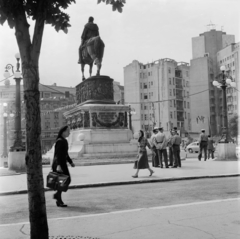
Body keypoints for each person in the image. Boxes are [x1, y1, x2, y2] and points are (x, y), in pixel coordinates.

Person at [52, 125, 75, 207]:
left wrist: (70, 162)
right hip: (59, 164)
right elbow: (57, 154)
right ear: (63, 131)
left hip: (62, 164)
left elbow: (65, 154)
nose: (69, 132)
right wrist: (58, 165)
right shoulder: (60, 141)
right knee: (64, 181)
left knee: (64, 181)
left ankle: (58, 197)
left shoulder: (64, 140)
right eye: (68, 131)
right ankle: (58, 198)